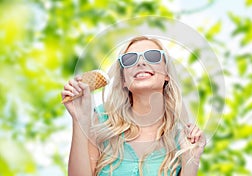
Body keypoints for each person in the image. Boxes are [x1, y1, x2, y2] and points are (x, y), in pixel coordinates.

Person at [62, 36, 206, 176]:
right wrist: (80, 120)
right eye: (130, 59)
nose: (141, 63)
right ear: (124, 79)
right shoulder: (101, 120)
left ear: (167, 73)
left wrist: (191, 159)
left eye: (153, 56)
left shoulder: (182, 137)